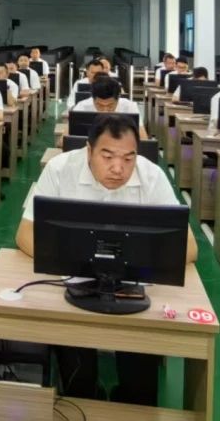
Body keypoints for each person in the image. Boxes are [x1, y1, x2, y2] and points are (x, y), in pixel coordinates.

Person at [14, 115, 196, 407]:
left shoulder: (152, 175)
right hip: (73, 285)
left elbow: (189, 246)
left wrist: (138, 266)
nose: (118, 168)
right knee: (78, 382)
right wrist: (72, 263)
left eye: (128, 158)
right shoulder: (60, 169)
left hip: (135, 291)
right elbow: (25, 234)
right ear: (89, 151)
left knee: (140, 390)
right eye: (107, 156)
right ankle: (86, 396)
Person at [72, 76, 148, 139]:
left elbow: (143, 138)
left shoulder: (129, 106)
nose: (105, 111)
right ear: (93, 99)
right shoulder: (82, 106)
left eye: (110, 105)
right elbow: (66, 137)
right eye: (100, 105)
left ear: (118, 98)